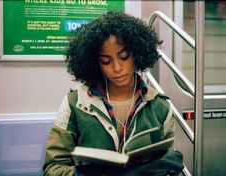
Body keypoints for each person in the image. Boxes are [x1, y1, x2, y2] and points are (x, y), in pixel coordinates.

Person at [43, 11, 183, 176]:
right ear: (95, 63)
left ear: (137, 54)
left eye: (124, 57)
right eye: (106, 61)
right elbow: (53, 167)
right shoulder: (74, 103)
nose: (117, 68)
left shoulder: (160, 107)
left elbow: (167, 164)